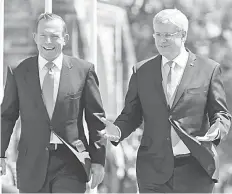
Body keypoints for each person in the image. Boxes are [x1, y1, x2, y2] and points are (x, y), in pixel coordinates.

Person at [98, 9, 232, 193]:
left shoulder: (208, 70)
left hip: (195, 169)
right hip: (152, 171)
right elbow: (131, 115)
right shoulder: (141, 71)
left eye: (168, 35)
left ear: (183, 35)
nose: (161, 40)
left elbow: (221, 113)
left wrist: (217, 129)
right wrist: (117, 129)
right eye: (158, 34)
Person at [1, 13, 106, 193]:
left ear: (64, 39)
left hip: (72, 162)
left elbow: (96, 119)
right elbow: (7, 116)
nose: (48, 41)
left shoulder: (84, 70)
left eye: (54, 36)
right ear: (35, 37)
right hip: (31, 163)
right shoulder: (18, 71)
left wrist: (98, 160)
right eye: (43, 35)